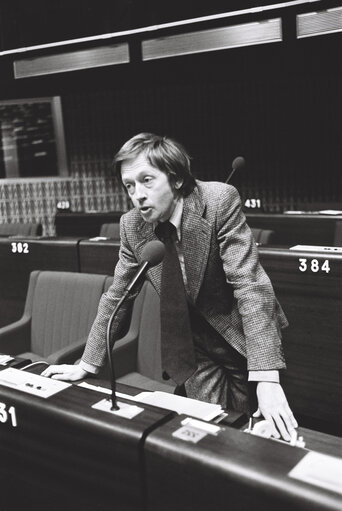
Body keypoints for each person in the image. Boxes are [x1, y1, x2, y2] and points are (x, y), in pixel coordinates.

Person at [42, 132, 298, 441]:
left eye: (147, 180)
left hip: (242, 339)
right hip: (196, 348)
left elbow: (250, 285)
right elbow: (117, 298)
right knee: (210, 438)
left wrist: (267, 378)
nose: (137, 194)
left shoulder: (218, 201)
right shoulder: (133, 226)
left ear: (175, 179)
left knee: (259, 436)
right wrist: (87, 363)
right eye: (129, 185)